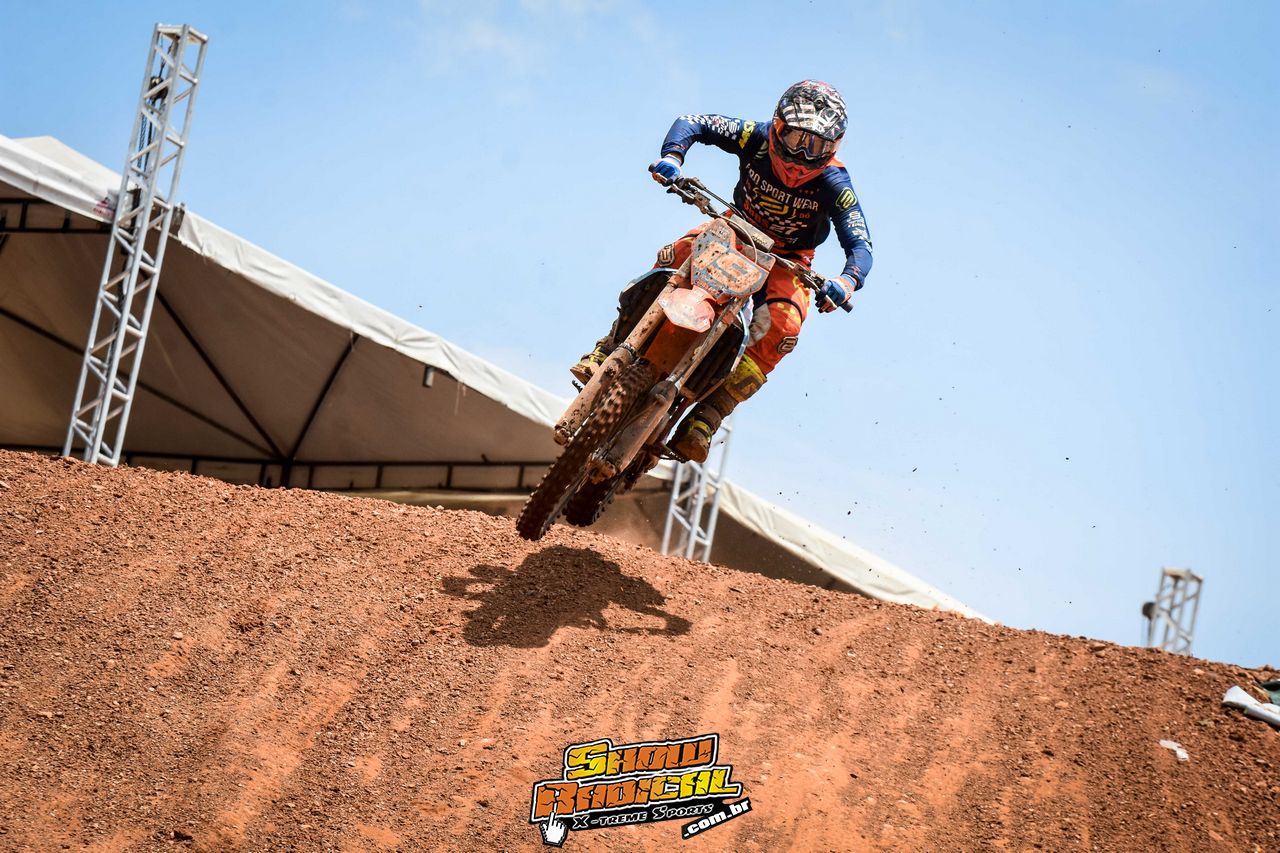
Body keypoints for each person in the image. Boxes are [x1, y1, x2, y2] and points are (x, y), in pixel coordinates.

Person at [572, 80, 873, 463]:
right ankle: (609, 346)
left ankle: (708, 416)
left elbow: (860, 242)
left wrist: (846, 281)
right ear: (778, 126)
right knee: (679, 253)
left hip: (790, 259)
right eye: (796, 138)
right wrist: (673, 157)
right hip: (734, 228)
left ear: (832, 148)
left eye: (815, 146)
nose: (801, 154)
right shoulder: (755, 137)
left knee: (784, 327)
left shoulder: (835, 182)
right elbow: (693, 121)